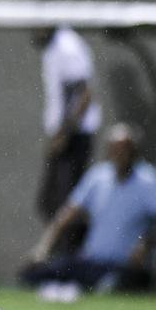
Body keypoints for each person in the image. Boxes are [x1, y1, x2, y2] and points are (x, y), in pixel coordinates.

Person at [24, 122, 156, 295]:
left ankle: (95, 288)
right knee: (33, 274)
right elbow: (66, 214)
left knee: (116, 284)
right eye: (115, 149)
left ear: (134, 151)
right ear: (109, 151)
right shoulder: (97, 177)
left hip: (125, 267)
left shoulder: (148, 180)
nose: (120, 154)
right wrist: (43, 248)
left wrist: (148, 243)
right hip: (91, 262)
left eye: (125, 149)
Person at [32, 25, 101, 224]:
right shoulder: (54, 47)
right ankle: (63, 248)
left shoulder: (67, 47)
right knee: (51, 201)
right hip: (65, 133)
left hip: (74, 136)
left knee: (67, 202)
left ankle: (71, 250)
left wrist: (65, 133)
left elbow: (83, 94)